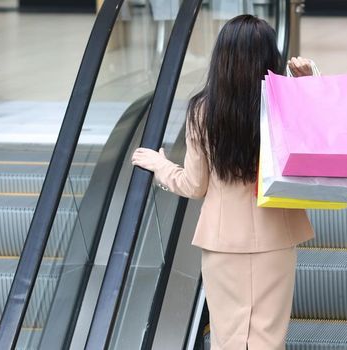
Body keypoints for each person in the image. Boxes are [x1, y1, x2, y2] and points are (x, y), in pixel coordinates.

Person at [130, 14, 316, 350]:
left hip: (222, 242)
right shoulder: (283, 104)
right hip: (276, 236)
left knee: (227, 339)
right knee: (268, 340)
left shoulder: (203, 111)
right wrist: (307, 86)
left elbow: (194, 186)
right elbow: (319, 146)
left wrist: (159, 164)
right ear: (268, 56)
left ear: (222, 57)